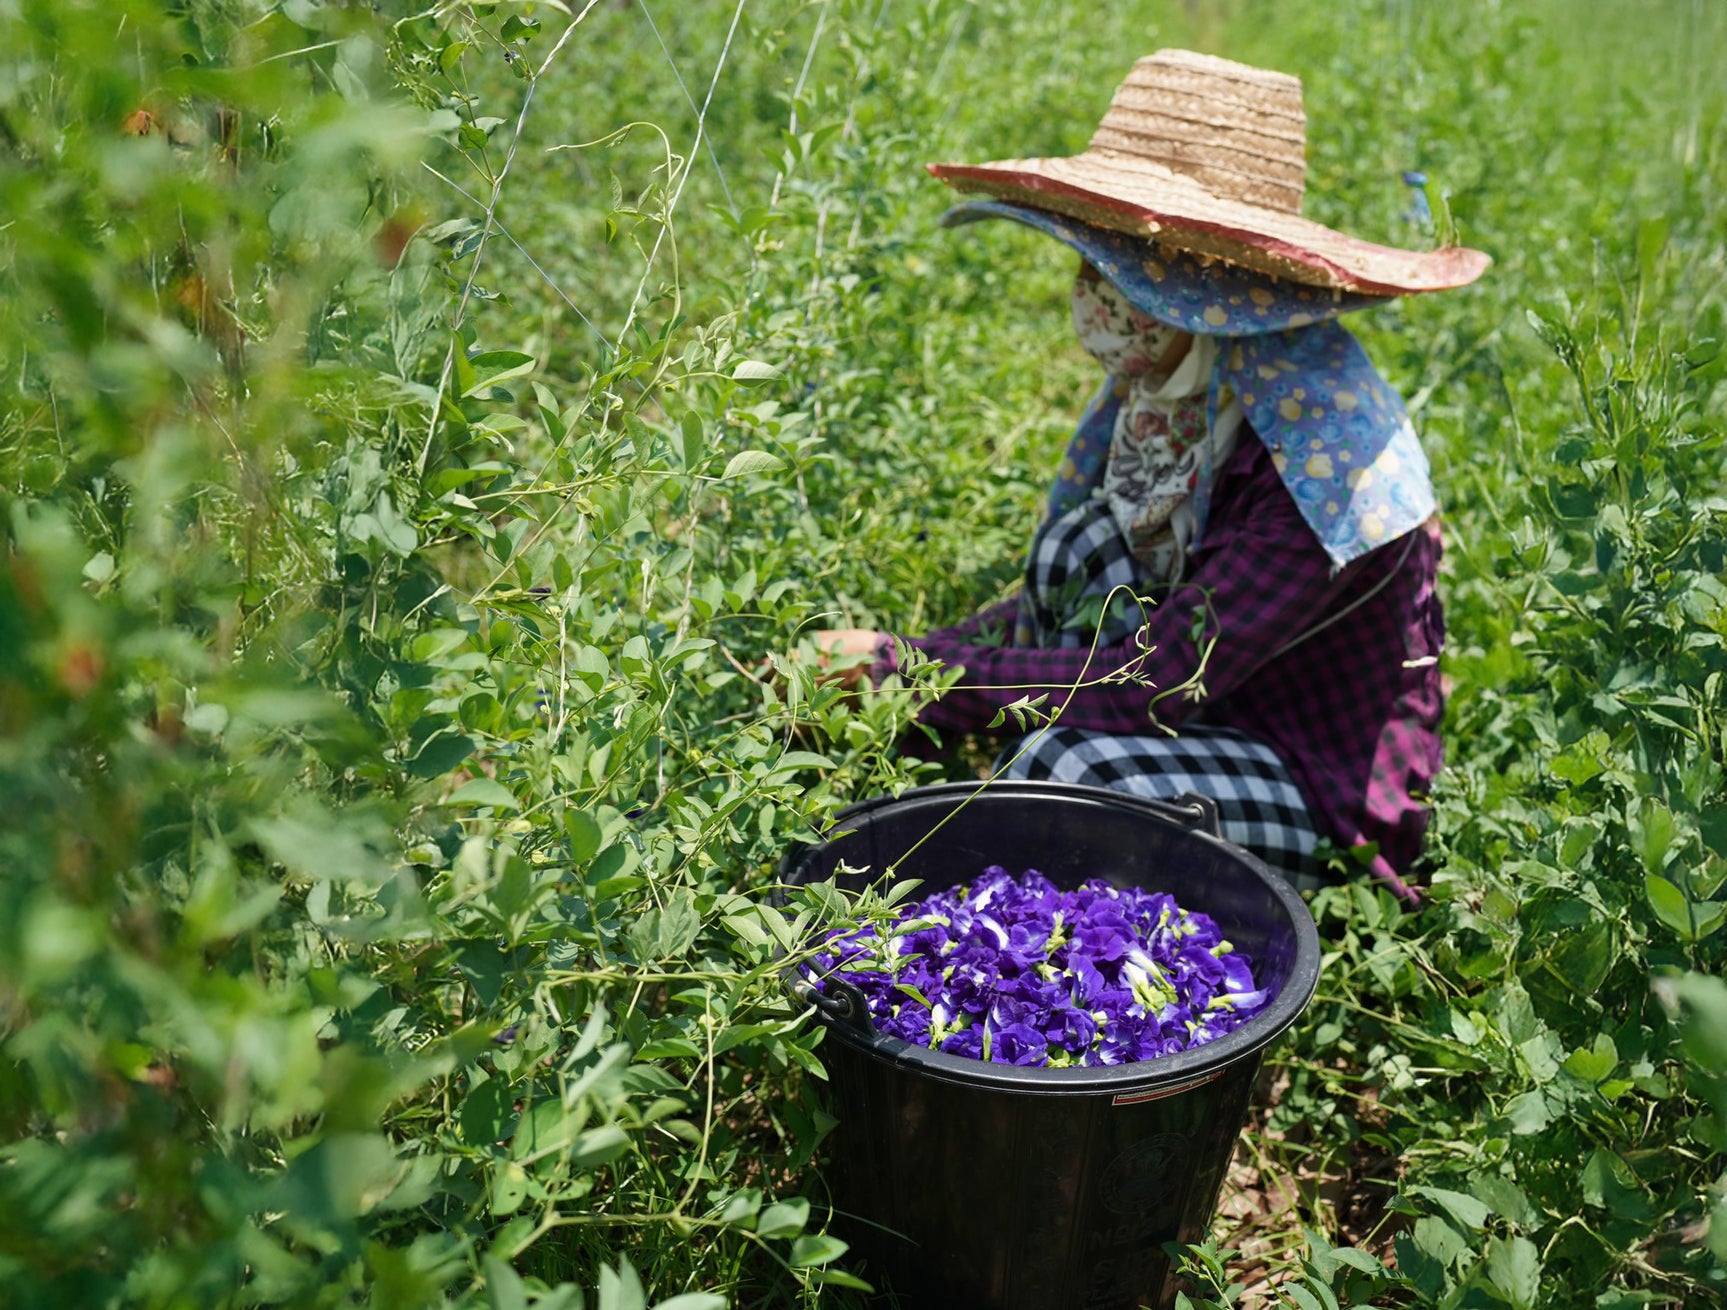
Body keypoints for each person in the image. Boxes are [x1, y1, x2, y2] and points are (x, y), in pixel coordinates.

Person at [817, 50, 1487, 901]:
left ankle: (1023, 883)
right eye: (1086, 268)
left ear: (1204, 291)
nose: (1088, 298)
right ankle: (1000, 798)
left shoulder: (1321, 466)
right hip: (1220, 711)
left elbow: (1160, 677)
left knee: (1066, 767)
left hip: (1316, 787)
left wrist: (901, 672)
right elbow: (1053, 609)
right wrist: (907, 669)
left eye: (1114, 274)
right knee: (1080, 548)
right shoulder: (1185, 396)